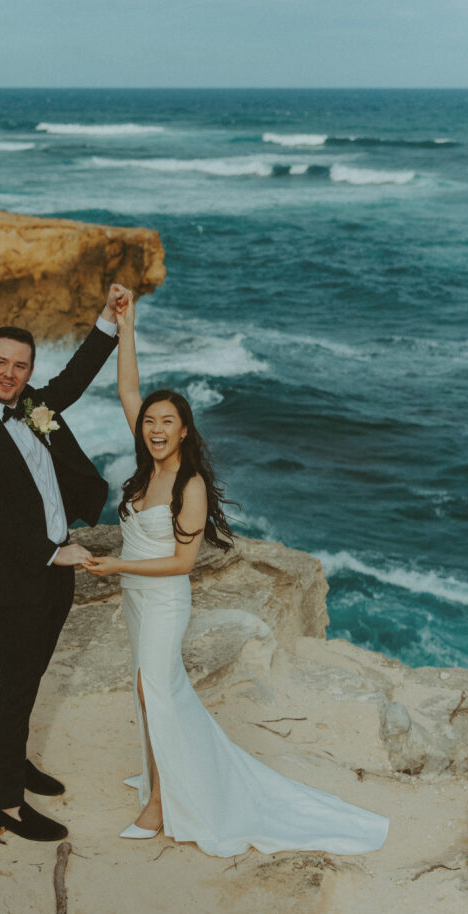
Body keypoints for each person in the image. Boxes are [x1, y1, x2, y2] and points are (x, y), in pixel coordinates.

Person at [84, 296, 389, 857]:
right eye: (150, 422)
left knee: (157, 690)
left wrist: (118, 564)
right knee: (149, 690)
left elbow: (181, 564)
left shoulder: (189, 486)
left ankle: (158, 804)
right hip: (134, 597)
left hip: (163, 598)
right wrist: (127, 325)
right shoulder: (147, 461)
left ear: (183, 432)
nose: (154, 428)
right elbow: (129, 390)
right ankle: (159, 777)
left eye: (166, 423)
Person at [0, 284, 131, 843]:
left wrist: (106, 320)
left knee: (31, 678)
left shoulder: (31, 406)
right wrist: (54, 552)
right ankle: (6, 804)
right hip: (20, 578)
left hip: (57, 570)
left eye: (20, 366)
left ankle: (17, 763)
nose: (9, 373)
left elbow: (74, 380)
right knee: (16, 686)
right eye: (0, 362)